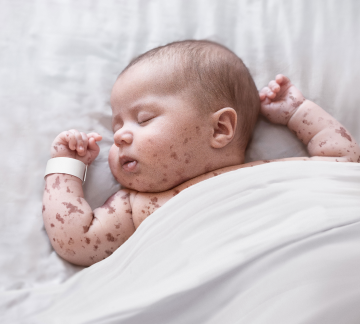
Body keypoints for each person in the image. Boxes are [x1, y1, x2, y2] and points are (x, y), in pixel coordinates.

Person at [42, 40, 360, 266]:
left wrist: (298, 112)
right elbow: (76, 241)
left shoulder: (270, 173)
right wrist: (65, 166)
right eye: (116, 127)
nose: (121, 136)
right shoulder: (132, 209)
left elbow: (343, 163)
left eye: (143, 119)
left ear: (220, 129)